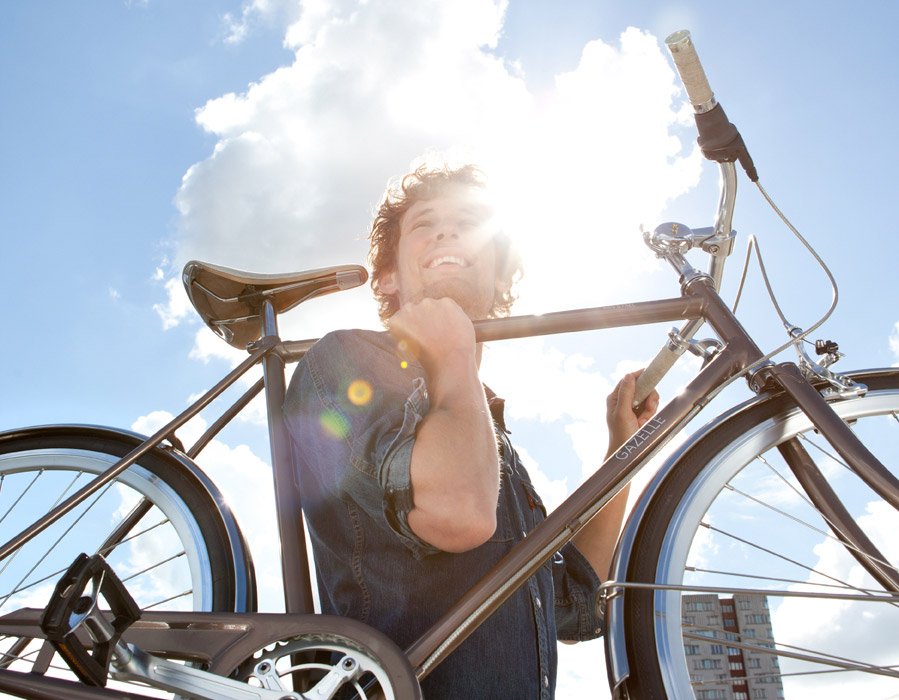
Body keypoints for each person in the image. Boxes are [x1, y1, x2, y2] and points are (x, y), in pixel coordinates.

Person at [283, 161, 658, 699]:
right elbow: (458, 513)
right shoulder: (348, 360)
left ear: (500, 275)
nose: (447, 230)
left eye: (469, 221)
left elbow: (575, 604)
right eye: (424, 222)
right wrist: (454, 356)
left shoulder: (487, 439)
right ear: (388, 276)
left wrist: (623, 451)